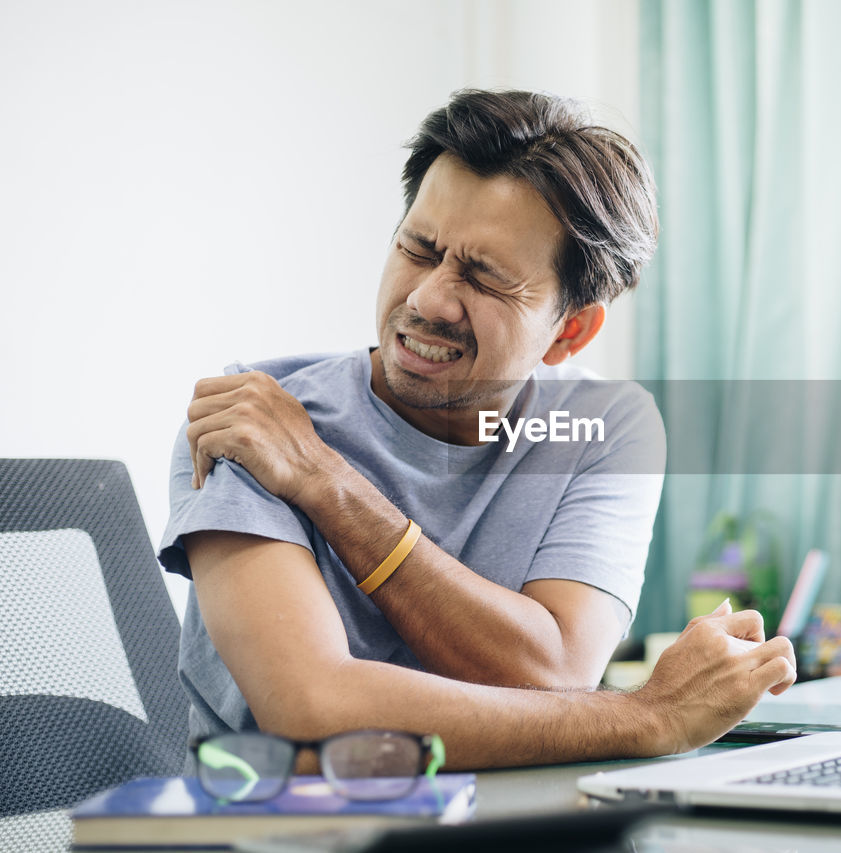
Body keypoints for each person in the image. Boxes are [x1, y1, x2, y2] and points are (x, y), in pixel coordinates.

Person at [159, 89, 796, 769]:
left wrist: (324, 481)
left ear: (570, 329)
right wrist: (649, 715)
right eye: (418, 247)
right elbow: (314, 710)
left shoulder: (605, 425)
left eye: (485, 279)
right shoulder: (256, 420)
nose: (428, 298)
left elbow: (553, 671)